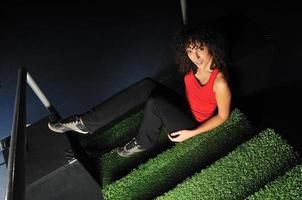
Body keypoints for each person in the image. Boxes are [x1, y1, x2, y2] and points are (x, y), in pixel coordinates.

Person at [48, 23, 232, 157]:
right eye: (190, 51)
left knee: (155, 103)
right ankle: (85, 122)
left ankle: (143, 141)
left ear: (211, 45)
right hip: (183, 106)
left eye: (200, 49)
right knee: (146, 86)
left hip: (192, 124)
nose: (196, 56)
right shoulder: (191, 65)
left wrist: (191, 133)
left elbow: (223, 117)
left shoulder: (220, 81)